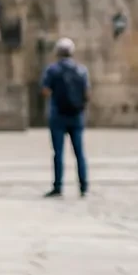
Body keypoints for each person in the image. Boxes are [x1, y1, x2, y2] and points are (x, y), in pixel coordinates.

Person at [41, 38, 91, 197]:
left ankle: (58, 186)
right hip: (76, 115)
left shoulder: (52, 70)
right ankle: (83, 185)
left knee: (58, 152)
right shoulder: (81, 70)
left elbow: (45, 91)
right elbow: (87, 93)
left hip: (58, 116)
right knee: (79, 152)